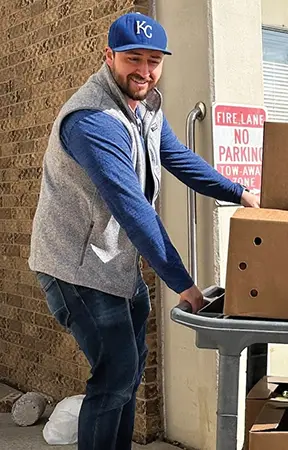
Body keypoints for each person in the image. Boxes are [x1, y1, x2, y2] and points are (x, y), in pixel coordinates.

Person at [27, 12, 259, 450]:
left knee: (130, 373)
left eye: (154, 60)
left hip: (115, 262)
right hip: (76, 268)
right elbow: (133, 209)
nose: (145, 71)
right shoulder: (92, 119)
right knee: (114, 375)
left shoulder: (146, 107)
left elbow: (179, 158)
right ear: (109, 56)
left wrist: (239, 192)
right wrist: (184, 284)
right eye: (133, 58)